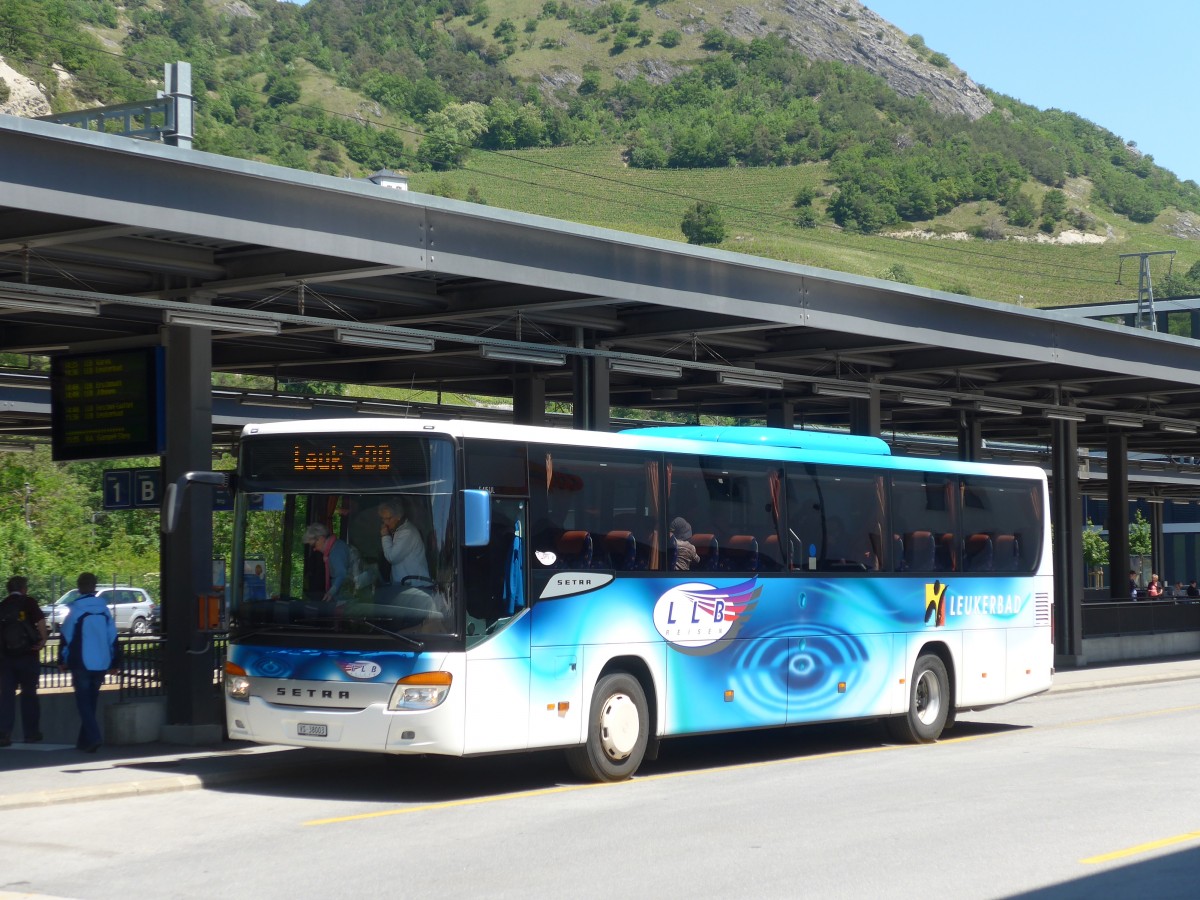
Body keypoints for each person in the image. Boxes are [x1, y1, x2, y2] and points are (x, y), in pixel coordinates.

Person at [57, 572, 121, 753]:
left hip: (81, 663)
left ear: (79, 587)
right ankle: (84, 742)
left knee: (83, 703)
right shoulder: (105, 610)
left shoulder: (76, 610)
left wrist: (62, 659)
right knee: (91, 702)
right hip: (101, 663)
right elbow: (113, 638)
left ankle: (93, 737)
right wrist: (115, 662)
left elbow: (66, 637)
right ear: (95, 587)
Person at [0, 575, 48, 747]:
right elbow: (41, 623)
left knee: (6, 697)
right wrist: (42, 640)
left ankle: (4, 734)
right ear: (24, 588)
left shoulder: (3, 605)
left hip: (6, 659)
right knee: (29, 694)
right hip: (28, 656)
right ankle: (31, 733)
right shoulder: (29, 603)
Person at [379, 499, 429, 585]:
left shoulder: (407, 532)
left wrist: (385, 536)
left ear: (398, 516)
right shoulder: (399, 530)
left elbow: (392, 557)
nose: (385, 523)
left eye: (389, 519)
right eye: (383, 519)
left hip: (414, 586)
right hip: (405, 585)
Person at [303, 523, 350, 603]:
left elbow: (341, 574)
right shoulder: (336, 546)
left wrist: (330, 593)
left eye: (314, 545)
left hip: (349, 600)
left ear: (321, 539)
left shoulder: (336, 551)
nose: (314, 549)